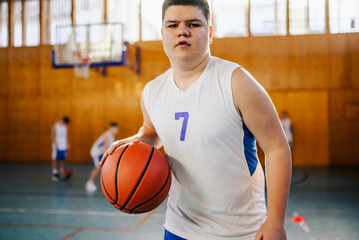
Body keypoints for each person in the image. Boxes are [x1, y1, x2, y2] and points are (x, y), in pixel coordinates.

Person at [101, 0, 292, 239]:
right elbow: (152, 131)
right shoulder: (152, 91)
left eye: (193, 23)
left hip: (240, 231)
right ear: (162, 34)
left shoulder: (236, 82)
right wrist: (137, 141)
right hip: (179, 226)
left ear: (210, 33)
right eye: (172, 25)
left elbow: (276, 147)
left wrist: (275, 222)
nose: (182, 30)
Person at [85, 122, 119, 192]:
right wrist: (107, 155)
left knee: (105, 168)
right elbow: (105, 146)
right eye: (116, 129)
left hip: (101, 153)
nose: (117, 130)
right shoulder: (108, 134)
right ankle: (89, 183)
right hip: (96, 153)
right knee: (98, 167)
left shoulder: (112, 136)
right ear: (111, 128)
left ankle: (109, 184)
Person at [51, 116, 70, 181]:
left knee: (62, 158)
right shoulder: (55, 126)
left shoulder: (65, 126)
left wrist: (67, 143)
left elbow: (66, 135)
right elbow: (52, 135)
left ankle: (62, 171)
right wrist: (55, 143)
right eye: (63, 122)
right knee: (55, 158)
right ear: (61, 120)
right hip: (57, 144)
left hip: (63, 145)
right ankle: (54, 172)